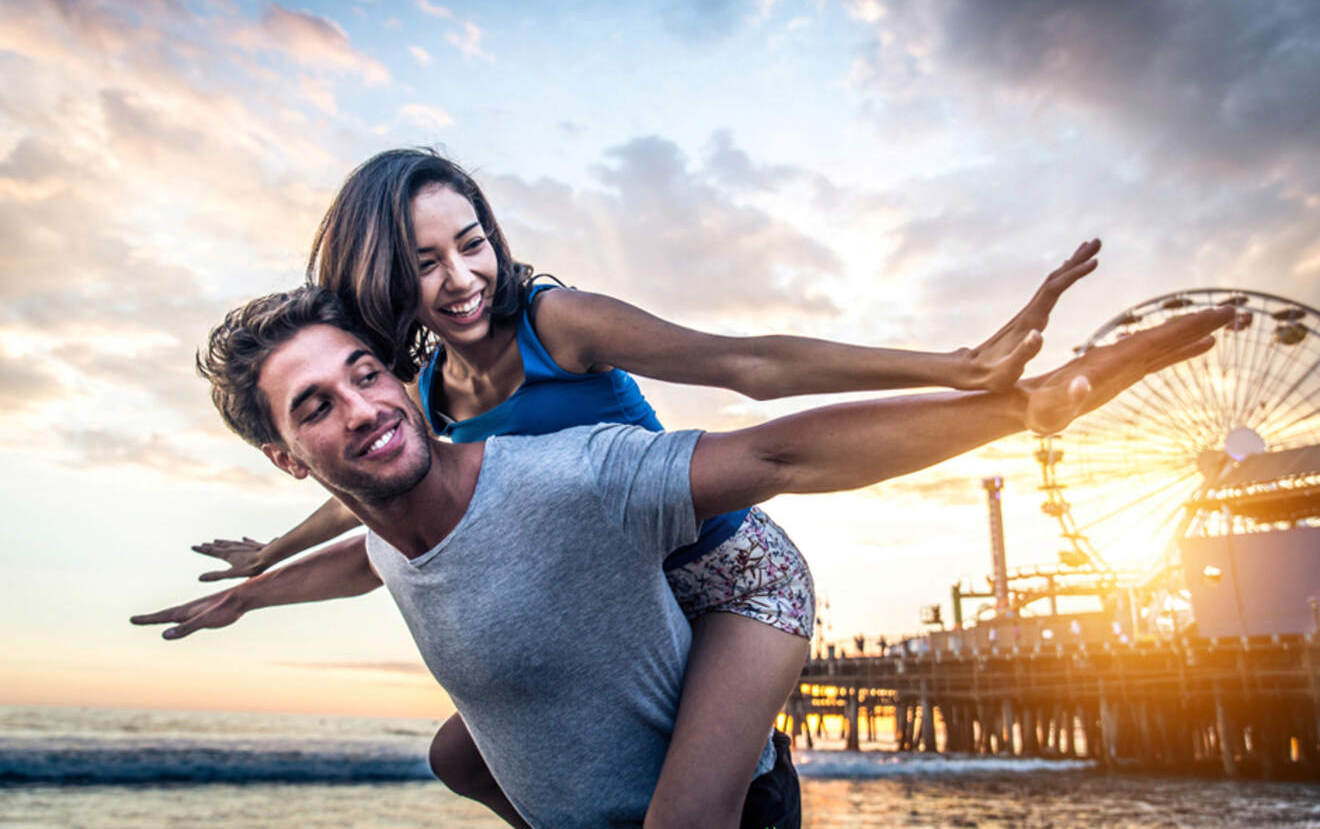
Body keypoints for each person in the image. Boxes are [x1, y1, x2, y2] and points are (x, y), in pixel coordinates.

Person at [189, 148, 1103, 826]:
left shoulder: (557, 322)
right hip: (635, 599)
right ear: (387, 278)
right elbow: (371, 510)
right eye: (426, 263)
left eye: (471, 244)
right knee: (462, 756)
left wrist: (959, 366)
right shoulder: (422, 397)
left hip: (736, 578)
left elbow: (744, 364)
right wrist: (272, 557)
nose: (462, 278)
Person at [134, 286, 1228, 827]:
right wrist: (255, 595)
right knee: (453, 756)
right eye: (318, 406)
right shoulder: (386, 526)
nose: (367, 406)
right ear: (287, 456)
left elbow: (785, 449)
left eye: (368, 370)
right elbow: (370, 561)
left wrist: (1026, 407)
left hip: (732, 798)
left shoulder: (569, 477)